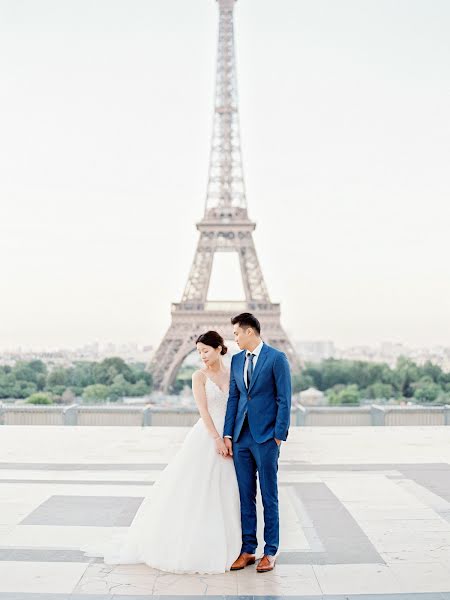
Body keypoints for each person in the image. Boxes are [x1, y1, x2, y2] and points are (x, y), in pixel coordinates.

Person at [80, 330, 241, 574]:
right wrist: (217, 439)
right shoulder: (199, 376)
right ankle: (199, 544)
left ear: (219, 348)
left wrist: (230, 436)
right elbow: (203, 412)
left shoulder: (234, 373)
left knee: (228, 491)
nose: (202, 356)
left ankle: (233, 544)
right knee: (201, 491)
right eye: (198, 352)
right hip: (209, 437)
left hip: (231, 437)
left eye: (205, 351)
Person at [223, 312, 291, 573]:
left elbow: (284, 399)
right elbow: (233, 399)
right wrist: (228, 434)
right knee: (245, 496)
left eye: (237, 334)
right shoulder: (237, 360)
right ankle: (248, 549)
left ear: (249, 331)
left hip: (266, 437)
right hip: (241, 438)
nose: (235, 339)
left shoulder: (277, 358)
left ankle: (270, 551)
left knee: (269, 495)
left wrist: (278, 436)